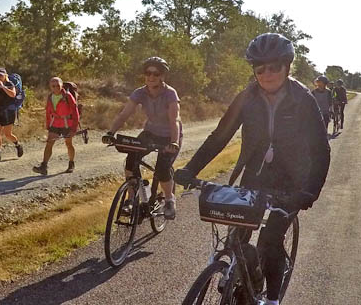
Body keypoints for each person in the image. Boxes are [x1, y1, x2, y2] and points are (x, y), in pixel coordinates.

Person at [173, 33, 331, 305]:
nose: (267, 74)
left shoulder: (303, 100)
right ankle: (243, 281)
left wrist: (309, 191)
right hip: (255, 175)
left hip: (292, 182)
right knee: (237, 235)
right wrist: (190, 169)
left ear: (287, 67)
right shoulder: (247, 97)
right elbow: (219, 137)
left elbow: (320, 150)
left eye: (274, 67)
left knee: (270, 240)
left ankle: (271, 300)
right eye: (260, 68)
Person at [105, 57, 182, 220]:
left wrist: (174, 142)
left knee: (162, 168)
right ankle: (132, 198)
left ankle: (169, 199)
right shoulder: (140, 92)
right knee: (131, 160)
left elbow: (174, 120)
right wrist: (110, 133)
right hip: (150, 132)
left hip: (170, 135)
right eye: (148, 73)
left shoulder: (170, 93)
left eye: (156, 73)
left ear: (162, 76)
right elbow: (124, 114)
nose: (151, 77)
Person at [33, 77, 79, 175]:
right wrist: (48, 124)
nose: (56, 88)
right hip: (55, 123)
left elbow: (75, 112)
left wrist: (74, 128)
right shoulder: (50, 96)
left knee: (68, 144)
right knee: (49, 143)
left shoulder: (68, 96)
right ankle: (44, 166)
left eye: (58, 85)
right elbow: (48, 111)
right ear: (50, 87)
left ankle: (71, 163)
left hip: (67, 123)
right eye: (53, 86)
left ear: (61, 85)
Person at [0, 68, 22, 161]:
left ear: (5, 76)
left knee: (8, 134)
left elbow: (13, 94)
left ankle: (18, 145)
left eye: (1, 75)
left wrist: (3, 87)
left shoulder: (10, 84)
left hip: (9, 111)